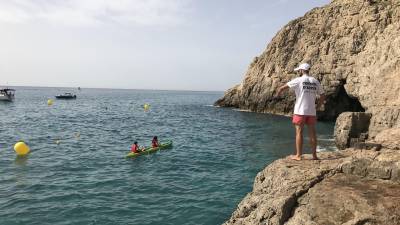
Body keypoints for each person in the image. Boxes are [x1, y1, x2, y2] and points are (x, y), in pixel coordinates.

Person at [276, 63, 325, 161]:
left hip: (300, 111)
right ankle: (314, 156)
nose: (298, 72)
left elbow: (282, 88)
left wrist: (278, 94)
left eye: (299, 70)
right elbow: (323, 95)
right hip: (311, 111)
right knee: (312, 133)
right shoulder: (315, 81)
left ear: (302, 70)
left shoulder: (298, 80)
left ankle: (298, 155)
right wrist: (318, 106)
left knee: (299, 132)